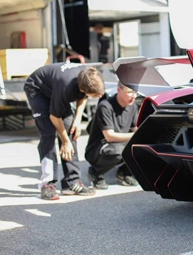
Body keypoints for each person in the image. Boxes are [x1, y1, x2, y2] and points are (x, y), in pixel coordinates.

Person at [23, 63, 106, 200]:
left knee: (71, 130)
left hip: (56, 88)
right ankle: (47, 184)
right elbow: (54, 117)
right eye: (95, 95)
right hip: (38, 89)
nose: (98, 96)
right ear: (82, 88)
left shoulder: (90, 75)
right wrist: (65, 142)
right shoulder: (67, 86)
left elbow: (82, 97)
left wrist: (77, 120)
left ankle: (71, 182)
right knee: (48, 134)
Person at [84, 81, 139, 189]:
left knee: (142, 147)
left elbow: (135, 129)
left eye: (135, 92)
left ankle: (124, 173)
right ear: (119, 90)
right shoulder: (105, 106)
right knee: (118, 151)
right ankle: (95, 173)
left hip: (118, 145)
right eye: (130, 92)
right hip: (98, 149)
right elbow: (109, 136)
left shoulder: (132, 107)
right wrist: (136, 135)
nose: (134, 95)